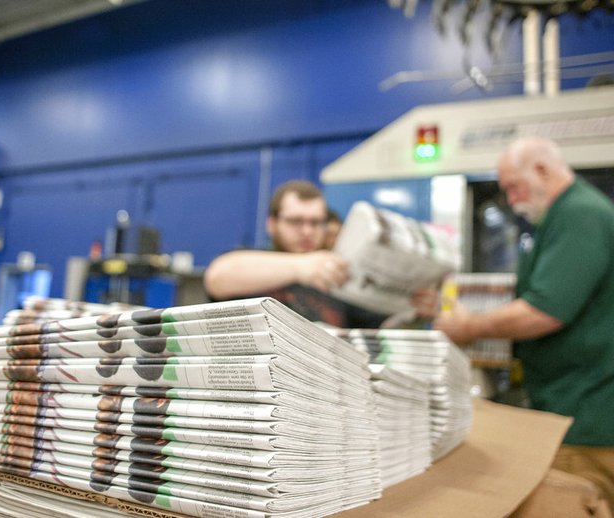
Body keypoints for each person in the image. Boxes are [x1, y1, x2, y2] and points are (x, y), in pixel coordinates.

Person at [434, 137, 614, 511]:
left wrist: (470, 327)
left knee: (571, 501)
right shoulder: (559, 219)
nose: (512, 200)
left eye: (514, 187)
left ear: (543, 170)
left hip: (586, 414)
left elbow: (544, 310)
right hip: (568, 403)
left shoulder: (579, 214)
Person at [204, 179, 439, 328]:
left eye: (316, 222)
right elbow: (217, 277)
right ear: (272, 223)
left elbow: (378, 333)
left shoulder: (338, 277)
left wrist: (413, 313)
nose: (307, 231)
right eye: (296, 221)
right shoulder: (252, 262)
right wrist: (300, 267)